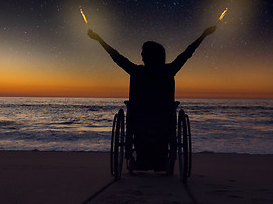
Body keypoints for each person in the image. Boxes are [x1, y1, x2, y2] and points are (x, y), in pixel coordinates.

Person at [87, 26, 216, 170]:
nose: (141, 55)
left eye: (143, 53)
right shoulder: (169, 71)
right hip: (164, 121)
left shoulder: (136, 71)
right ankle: (161, 159)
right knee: (161, 135)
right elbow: (187, 53)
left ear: (148, 55)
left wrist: (99, 39)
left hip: (139, 121)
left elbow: (116, 56)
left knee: (138, 127)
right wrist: (204, 35)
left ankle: (139, 158)